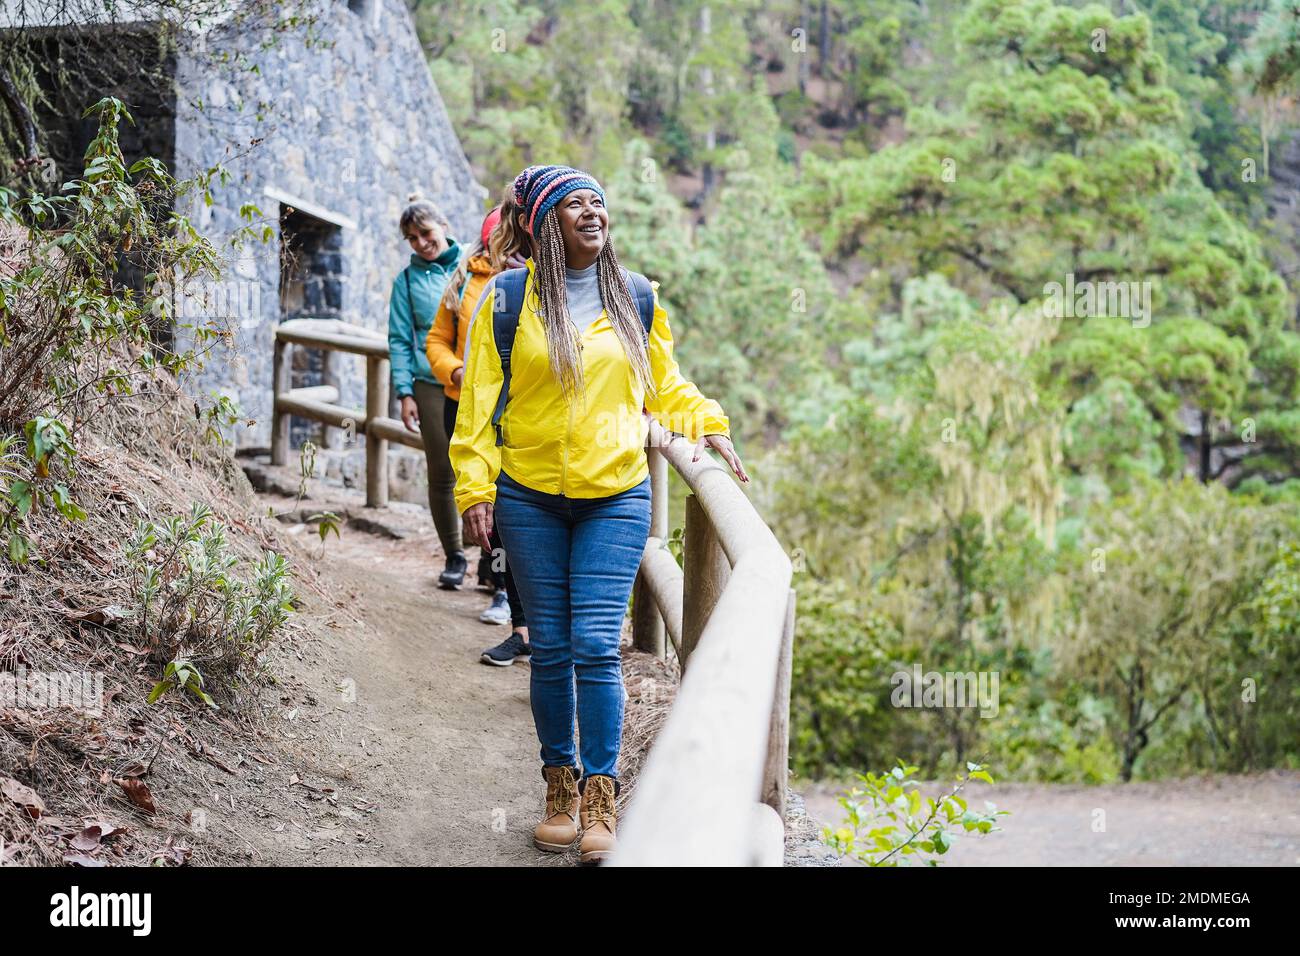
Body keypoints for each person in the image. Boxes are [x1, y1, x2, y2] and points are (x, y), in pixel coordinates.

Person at [450, 164, 748, 864]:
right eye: (574, 204)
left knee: (592, 645)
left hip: (614, 495)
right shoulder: (506, 300)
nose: (591, 213)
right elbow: (479, 406)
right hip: (528, 496)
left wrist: (707, 423)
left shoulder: (634, 297)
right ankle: (559, 786)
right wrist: (474, 487)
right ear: (544, 223)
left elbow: (665, 386)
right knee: (548, 647)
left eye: (598, 203)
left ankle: (601, 796)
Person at [426, 193, 533, 664]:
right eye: (496, 241)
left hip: (526, 417)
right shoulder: (470, 280)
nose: (503, 250)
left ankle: (521, 613)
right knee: (496, 510)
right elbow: (440, 338)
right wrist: (455, 371)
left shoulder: (552, 282)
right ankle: (510, 608)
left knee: (517, 516)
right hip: (475, 406)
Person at [388, 195, 467, 589]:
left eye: (426, 232)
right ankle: (454, 555)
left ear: (444, 226)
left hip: (475, 381)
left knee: (490, 469)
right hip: (430, 385)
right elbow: (400, 339)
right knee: (442, 472)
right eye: (412, 238)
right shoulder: (406, 280)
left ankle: (494, 561)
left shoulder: (473, 262)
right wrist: (404, 392)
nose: (421, 242)